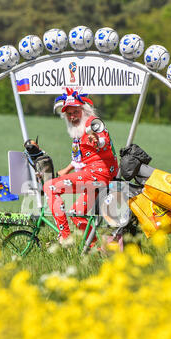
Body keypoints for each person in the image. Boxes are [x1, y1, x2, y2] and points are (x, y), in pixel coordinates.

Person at [43, 88, 119, 243]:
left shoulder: (91, 123)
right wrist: (67, 170)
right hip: (96, 175)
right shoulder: (78, 130)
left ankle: (65, 237)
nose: (72, 117)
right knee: (77, 213)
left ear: (84, 111)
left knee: (50, 187)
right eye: (69, 114)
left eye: (76, 112)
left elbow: (102, 139)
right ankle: (94, 249)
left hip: (97, 174)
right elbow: (81, 156)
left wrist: (97, 141)